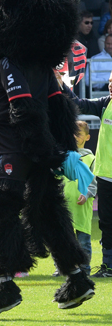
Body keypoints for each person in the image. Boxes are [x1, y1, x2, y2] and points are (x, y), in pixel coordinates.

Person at [61, 75, 112, 278]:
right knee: (107, 222)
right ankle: (108, 265)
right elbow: (78, 104)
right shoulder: (105, 104)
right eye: (109, 82)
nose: (111, 86)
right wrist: (60, 84)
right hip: (106, 174)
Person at [53, 120, 96, 276]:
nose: (75, 137)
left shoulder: (91, 158)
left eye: (79, 134)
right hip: (64, 204)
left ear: (87, 137)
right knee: (62, 239)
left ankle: (84, 269)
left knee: (83, 241)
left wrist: (86, 195)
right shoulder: (62, 156)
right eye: (72, 133)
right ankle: (62, 268)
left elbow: (93, 182)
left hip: (81, 206)